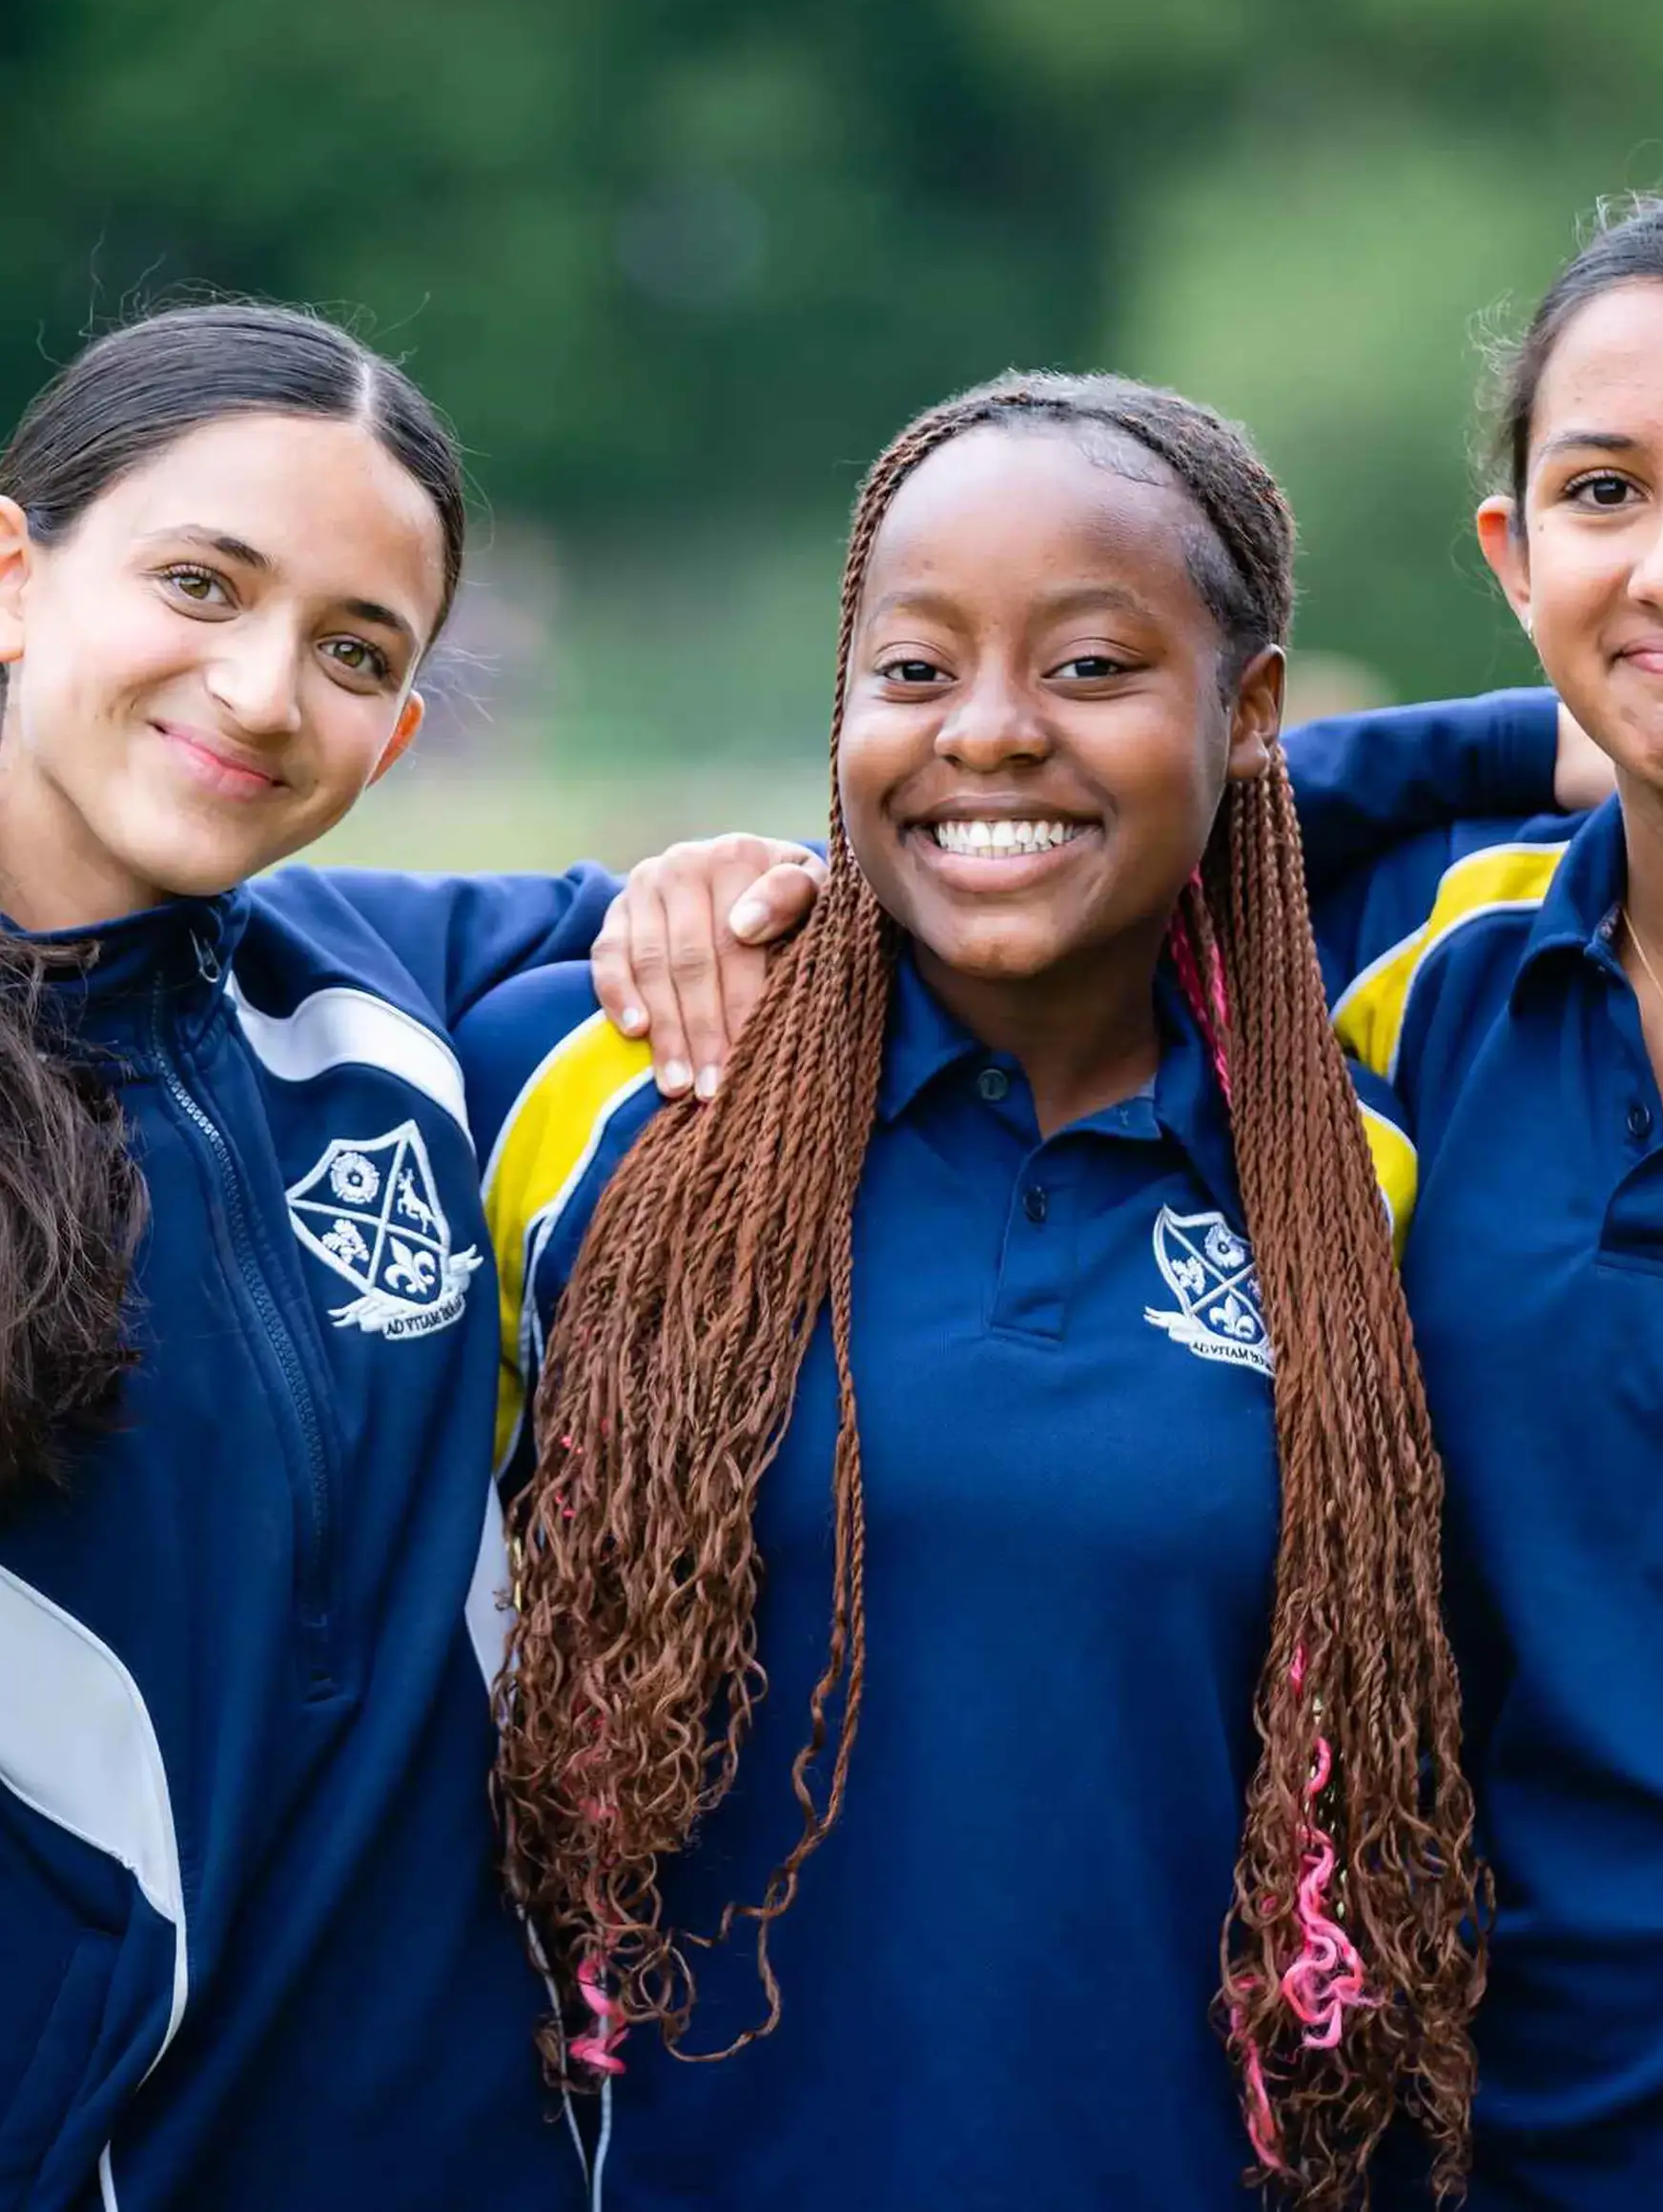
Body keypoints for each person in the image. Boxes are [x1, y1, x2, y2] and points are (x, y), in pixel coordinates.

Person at [463, 373, 1499, 2212]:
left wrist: (1548, 736)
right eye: (916, 672)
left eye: (1093, 668)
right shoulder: (599, 1091)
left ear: (1252, 710)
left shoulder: (1364, 1191)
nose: (991, 736)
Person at [0, 300, 788, 2212]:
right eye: (202, 581)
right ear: (13, 576)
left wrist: (733, 875)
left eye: (357, 653)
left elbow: (963, 864)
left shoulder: (387, 984)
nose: (267, 692)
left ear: (408, 725)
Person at [1288, 189, 1663, 2210]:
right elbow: (1076, 788)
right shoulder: (1415, 984)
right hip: (1431, 2156)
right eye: (1606, 492)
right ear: (1515, 558)